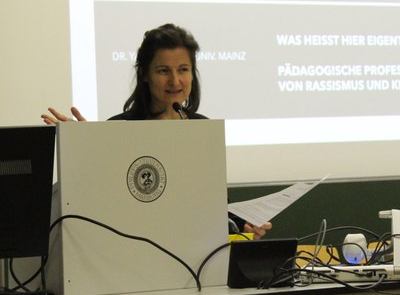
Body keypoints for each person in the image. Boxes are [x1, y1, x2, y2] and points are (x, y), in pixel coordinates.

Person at [42, 23, 272, 239]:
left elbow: (213, 207)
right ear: (144, 74)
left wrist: (243, 227)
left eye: (183, 69)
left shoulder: (202, 130)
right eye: (163, 71)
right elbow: (106, 203)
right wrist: (87, 145)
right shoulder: (118, 130)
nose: (175, 80)